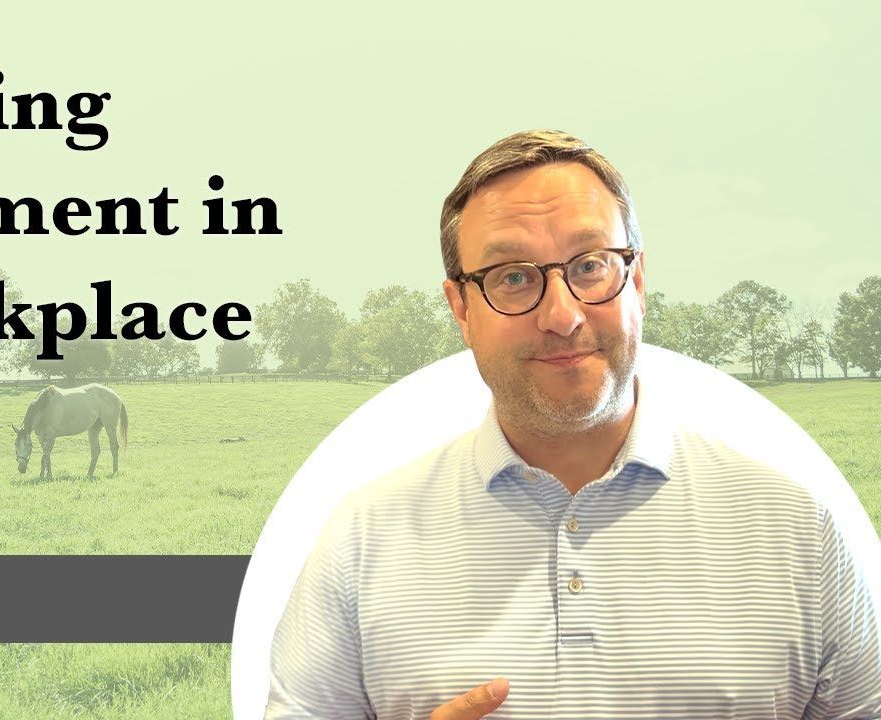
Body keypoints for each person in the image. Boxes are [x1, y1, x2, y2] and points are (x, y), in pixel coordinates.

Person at [264, 130, 881, 719]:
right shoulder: (362, 539)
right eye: (512, 277)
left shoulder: (800, 531)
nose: (561, 315)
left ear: (636, 280)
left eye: (590, 266)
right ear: (461, 307)